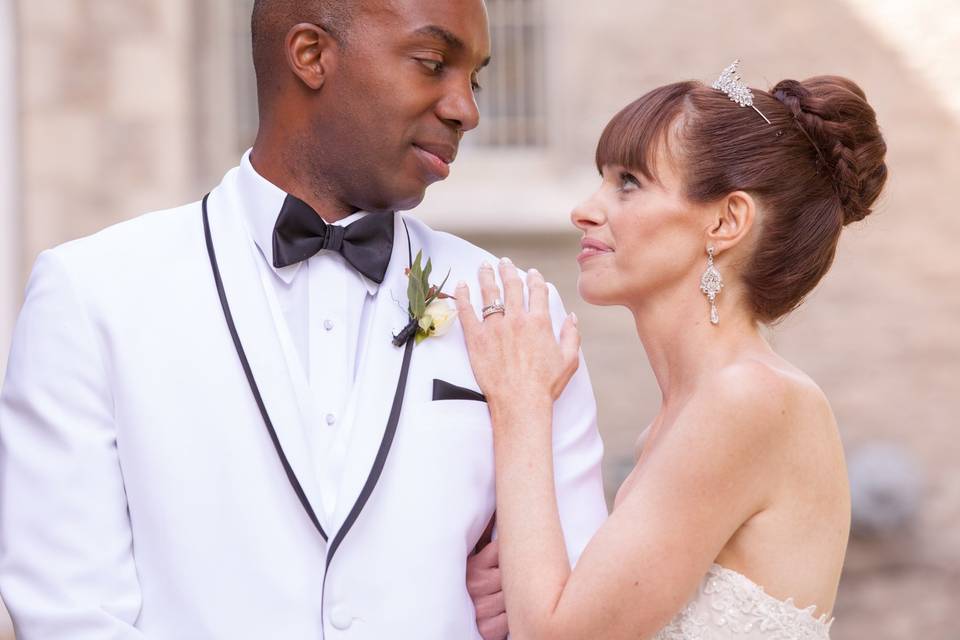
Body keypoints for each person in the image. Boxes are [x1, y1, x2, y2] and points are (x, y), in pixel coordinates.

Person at [0, 1, 607, 637]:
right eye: (433, 64)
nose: (466, 109)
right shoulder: (94, 295)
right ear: (311, 55)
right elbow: (69, 614)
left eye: (474, 78)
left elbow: (576, 601)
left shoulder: (516, 309)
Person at [460, 67, 887, 639]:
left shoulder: (749, 400)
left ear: (725, 220)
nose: (584, 210)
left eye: (629, 182)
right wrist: (521, 583)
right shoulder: (683, 418)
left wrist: (519, 401)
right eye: (603, 179)